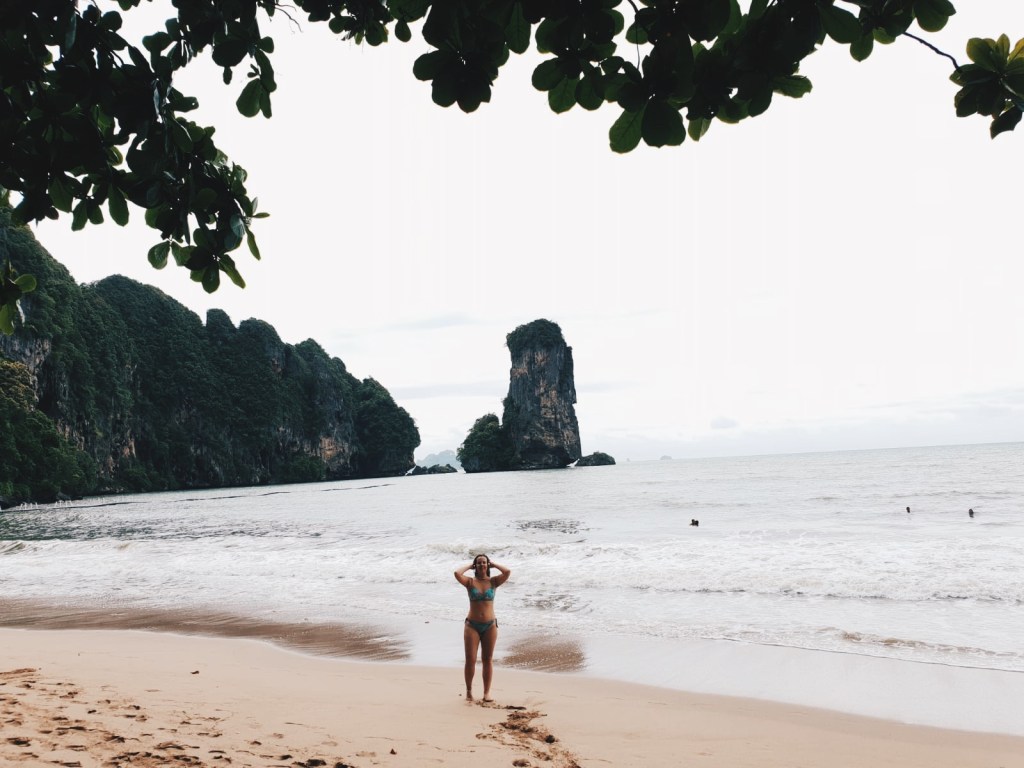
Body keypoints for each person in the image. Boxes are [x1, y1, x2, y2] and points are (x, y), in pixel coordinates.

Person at [454, 554, 510, 702]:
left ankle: (486, 693)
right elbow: (457, 573)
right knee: (470, 660)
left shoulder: (493, 582)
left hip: (490, 625)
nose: (482, 565)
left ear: (488, 564)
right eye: (479, 563)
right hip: (472, 625)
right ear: (475, 566)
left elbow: (507, 572)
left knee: (488, 659)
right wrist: (469, 566)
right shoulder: (470, 582)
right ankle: (469, 691)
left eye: (484, 563)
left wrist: (494, 564)